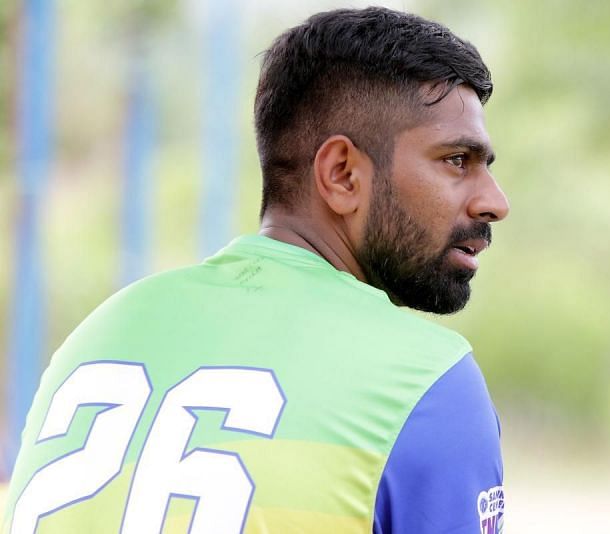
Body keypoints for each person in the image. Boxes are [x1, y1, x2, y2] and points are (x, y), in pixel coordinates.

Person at [4, 6, 509, 534]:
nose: (495, 202)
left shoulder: (96, 336)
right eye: (456, 160)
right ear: (341, 175)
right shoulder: (426, 383)